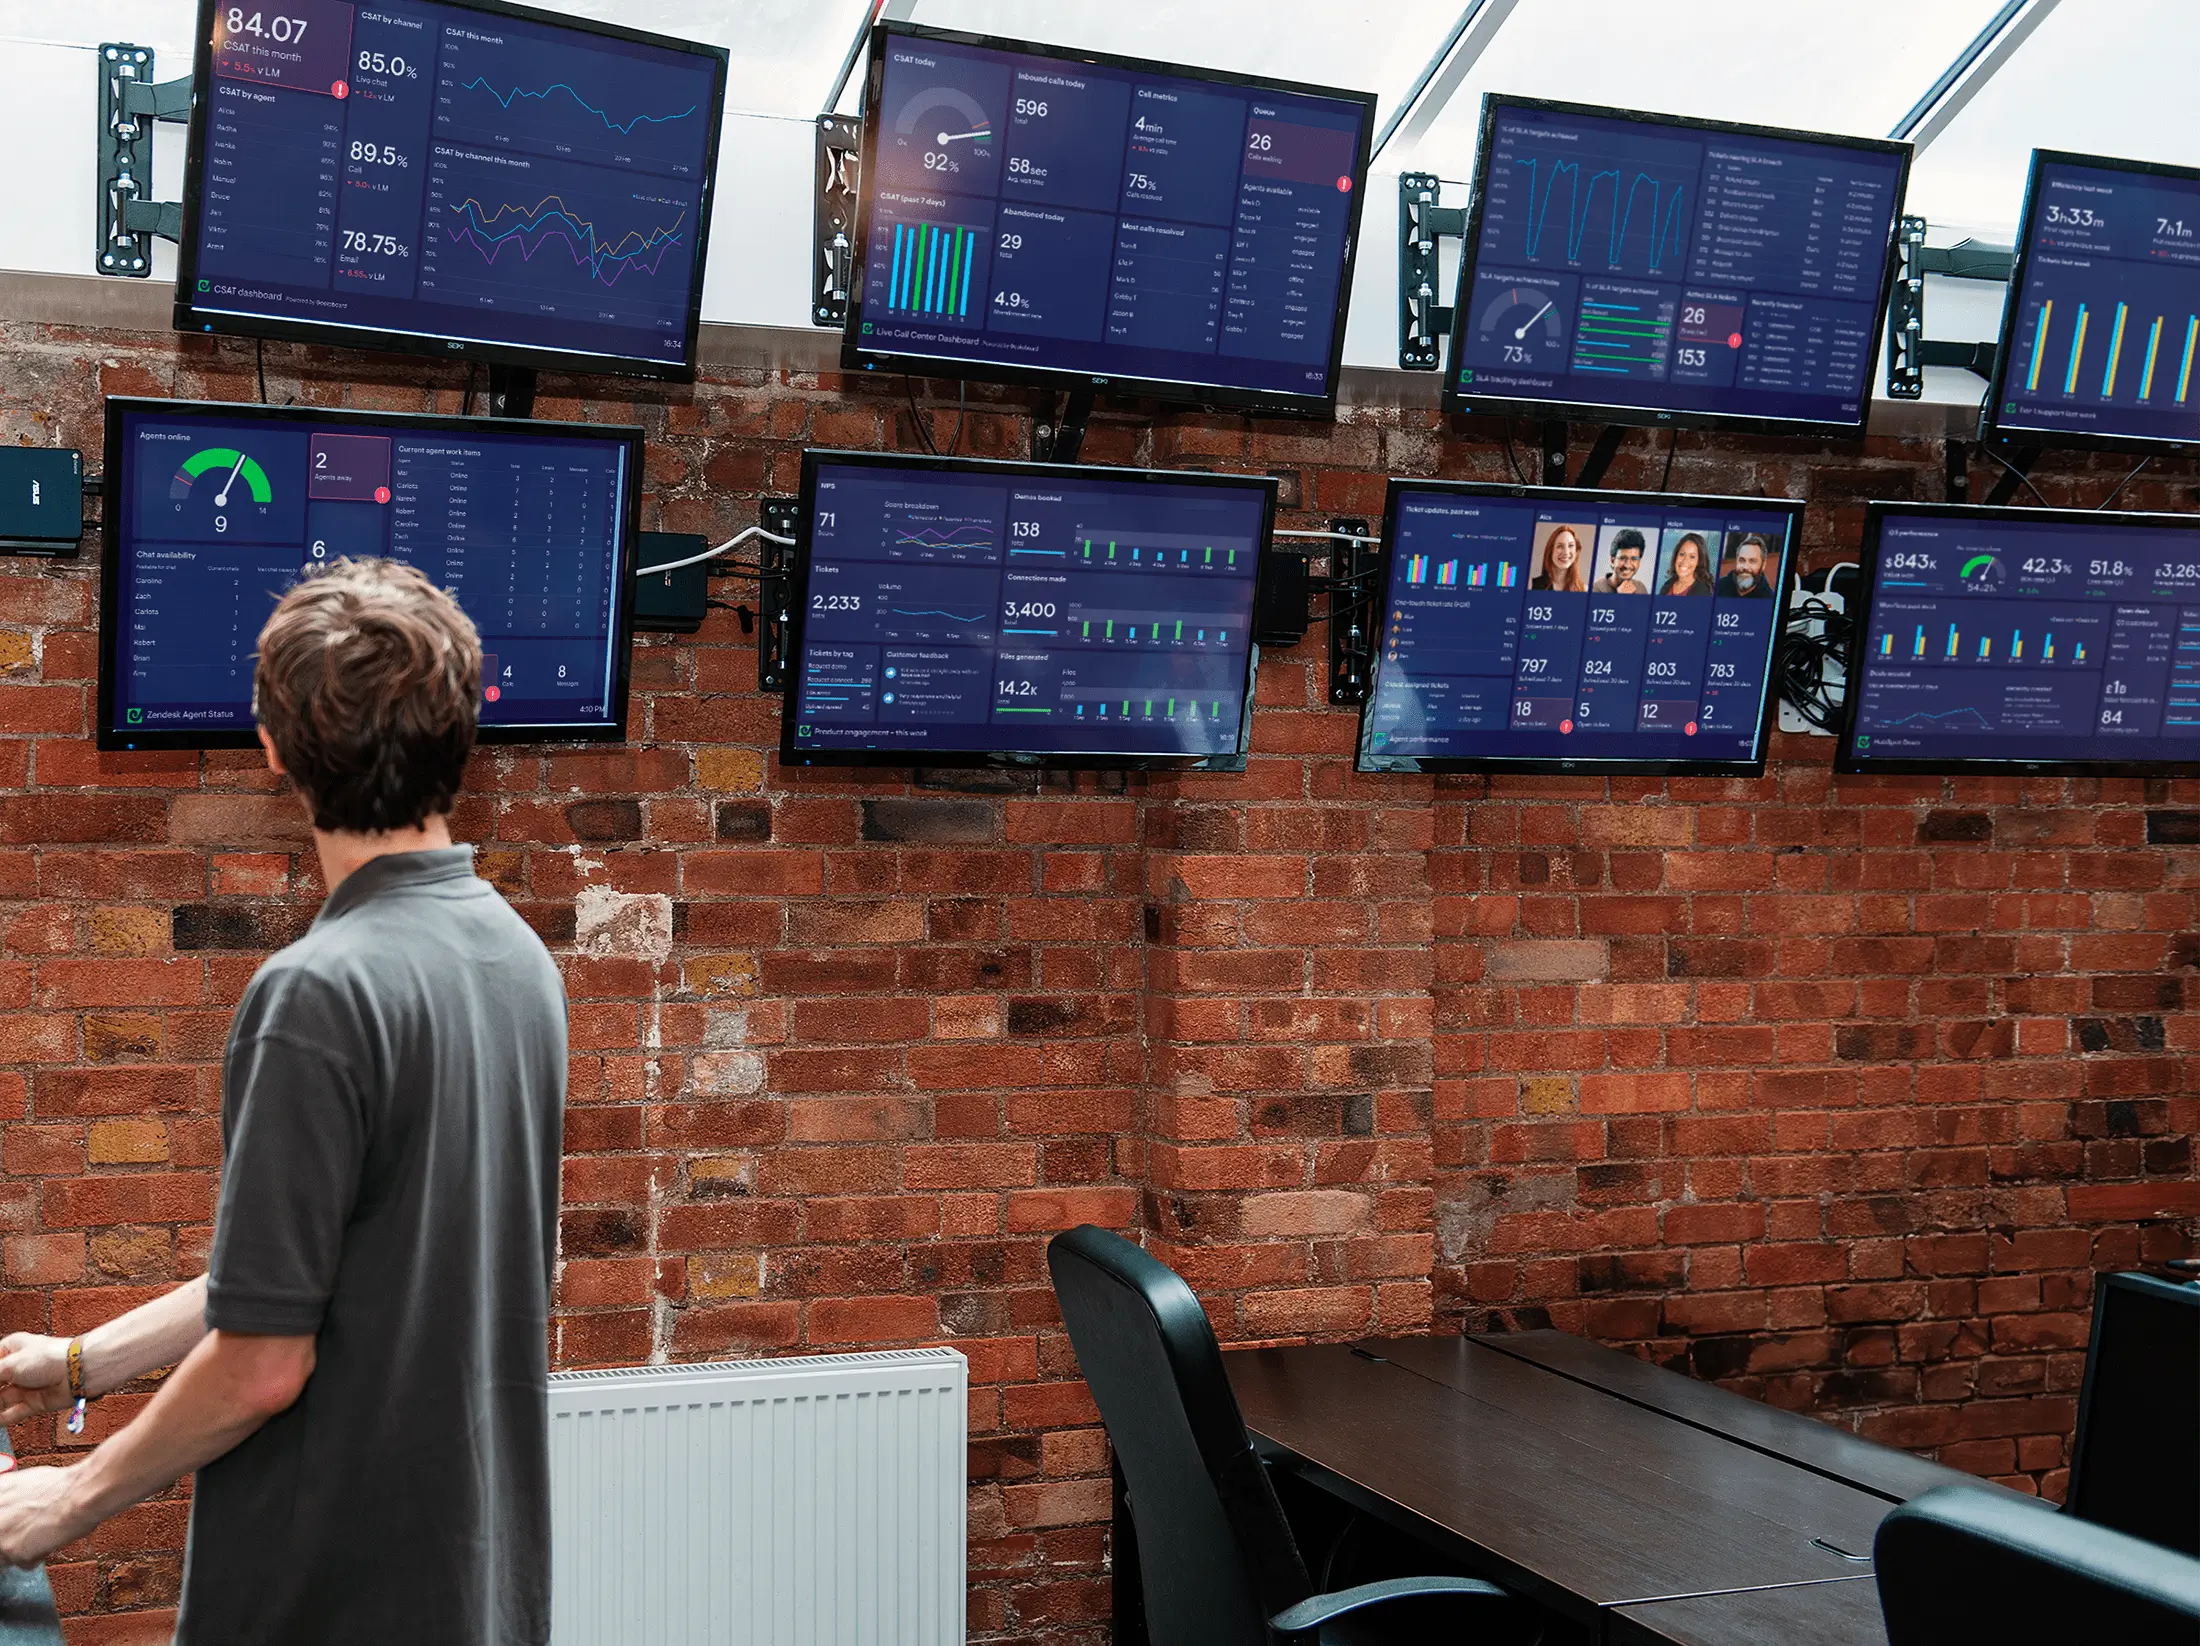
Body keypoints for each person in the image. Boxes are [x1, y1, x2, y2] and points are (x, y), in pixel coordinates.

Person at [0, 559, 567, 1645]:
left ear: (273, 745)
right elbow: (304, 1272)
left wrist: (63, 1502)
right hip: (468, 1584)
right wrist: (78, 1362)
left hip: (333, 1590)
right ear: (462, 732)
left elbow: (264, 1359)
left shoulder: (317, 992)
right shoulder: (513, 953)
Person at [1531, 523, 1588, 592]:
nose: (1566, 552)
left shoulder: (1585, 589)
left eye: (1570, 545)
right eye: (1560, 546)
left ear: (1576, 551)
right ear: (1550, 551)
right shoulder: (1530, 585)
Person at [1594, 527, 1649, 595]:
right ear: (1612, 560)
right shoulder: (1596, 588)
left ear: (1639, 562)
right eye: (1622, 558)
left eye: (1634, 559)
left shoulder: (1641, 588)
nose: (1627, 565)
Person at [1717, 534, 1775, 598]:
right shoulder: (1718, 587)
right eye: (1742, 560)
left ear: (1763, 565)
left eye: (1752, 561)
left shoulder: (1770, 599)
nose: (1745, 567)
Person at [1660, 532, 1713, 597]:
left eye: (1692, 557)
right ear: (1676, 556)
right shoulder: (1668, 585)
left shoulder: (1703, 592)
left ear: (1699, 561)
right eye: (1682, 554)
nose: (1685, 561)